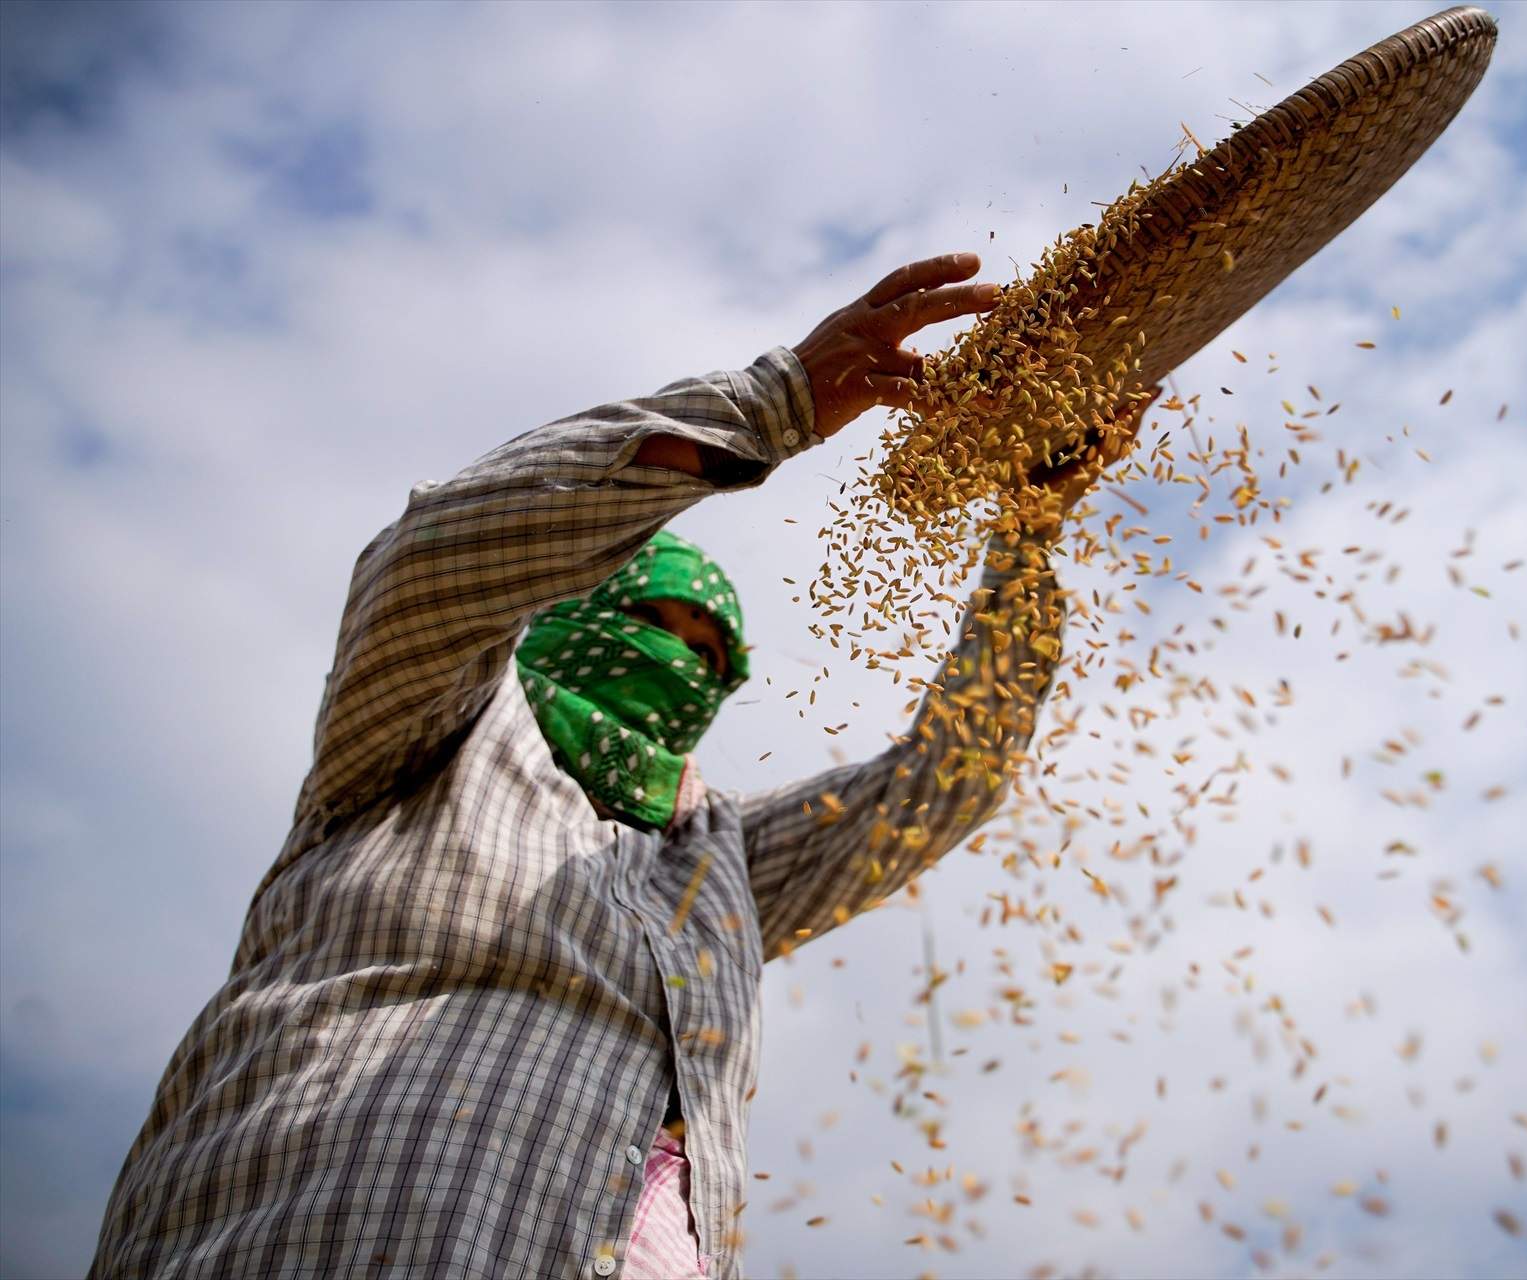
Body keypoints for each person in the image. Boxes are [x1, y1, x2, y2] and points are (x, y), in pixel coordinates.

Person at [88, 253, 1153, 1280]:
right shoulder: (431, 729)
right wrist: (772, 406)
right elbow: (438, 555)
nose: (680, 663)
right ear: (575, 604)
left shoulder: (710, 857)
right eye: (654, 621)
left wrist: (1030, 533)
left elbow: (942, 781)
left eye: (711, 654)